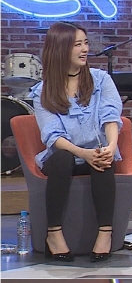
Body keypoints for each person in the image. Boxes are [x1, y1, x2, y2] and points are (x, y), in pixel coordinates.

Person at [31, 23, 122, 262]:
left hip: (96, 152)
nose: (85, 49)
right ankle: (53, 234)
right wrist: (83, 153)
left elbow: (111, 116)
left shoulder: (101, 80)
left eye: (86, 43)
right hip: (65, 156)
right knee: (62, 157)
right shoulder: (43, 91)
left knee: (102, 157)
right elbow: (53, 136)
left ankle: (105, 234)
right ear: (61, 49)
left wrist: (111, 146)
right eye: (77, 45)